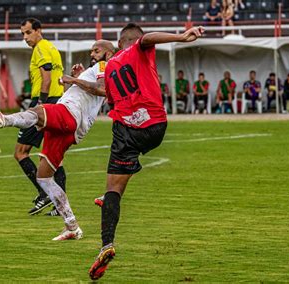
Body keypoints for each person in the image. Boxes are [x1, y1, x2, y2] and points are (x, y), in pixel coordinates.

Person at [87, 23, 204, 280]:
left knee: (113, 190)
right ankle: (110, 197)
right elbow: (149, 38)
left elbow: (109, 97)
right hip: (156, 127)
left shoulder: (111, 69)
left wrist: (76, 81)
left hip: (127, 132)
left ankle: (107, 244)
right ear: (137, 40)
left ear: (119, 44)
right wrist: (181, 37)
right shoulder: (140, 48)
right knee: (113, 189)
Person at [0, 40, 115, 240]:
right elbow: (93, 91)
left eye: (97, 50)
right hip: (73, 126)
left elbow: (102, 89)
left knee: (38, 111)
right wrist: (80, 77)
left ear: (108, 53)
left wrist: (73, 79)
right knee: (43, 176)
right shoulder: (97, 69)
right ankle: (71, 226)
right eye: (91, 50)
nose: (93, 54)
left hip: (71, 114)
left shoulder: (105, 65)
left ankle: (4, 120)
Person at [17, 18, 66, 216]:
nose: (25, 38)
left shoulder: (40, 49)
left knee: (21, 152)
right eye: (22, 34)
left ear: (39, 30)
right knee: (53, 156)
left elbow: (46, 78)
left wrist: (40, 104)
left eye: (28, 32)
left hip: (43, 103)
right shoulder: (51, 47)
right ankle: (59, 204)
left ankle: (44, 194)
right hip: (57, 101)